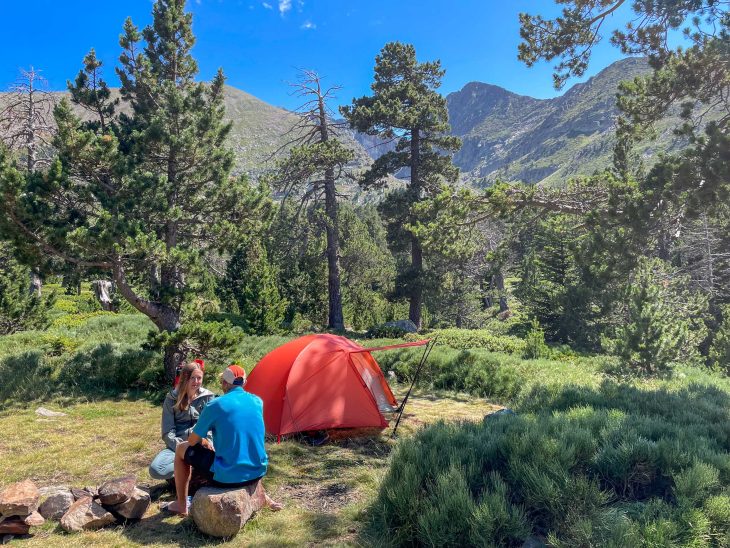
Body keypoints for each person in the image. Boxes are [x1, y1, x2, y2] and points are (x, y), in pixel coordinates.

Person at [165, 364, 282, 515]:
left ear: (224, 383)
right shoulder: (257, 401)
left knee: (181, 448)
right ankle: (262, 496)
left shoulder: (215, 405)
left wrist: (202, 439)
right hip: (258, 472)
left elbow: (193, 441)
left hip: (228, 477)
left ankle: (181, 505)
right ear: (244, 383)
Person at [148, 361, 215, 481]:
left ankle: (191, 468)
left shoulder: (208, 397)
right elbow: (167, 432)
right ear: (184, 378)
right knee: (156, 470)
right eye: (192, 378)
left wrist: (208, 442)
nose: (196, 382)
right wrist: (180, 447)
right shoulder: (171, 399)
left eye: (199, 378)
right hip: (178, 446)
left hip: (201, 444)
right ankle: (188, 467)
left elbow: (210, 426)